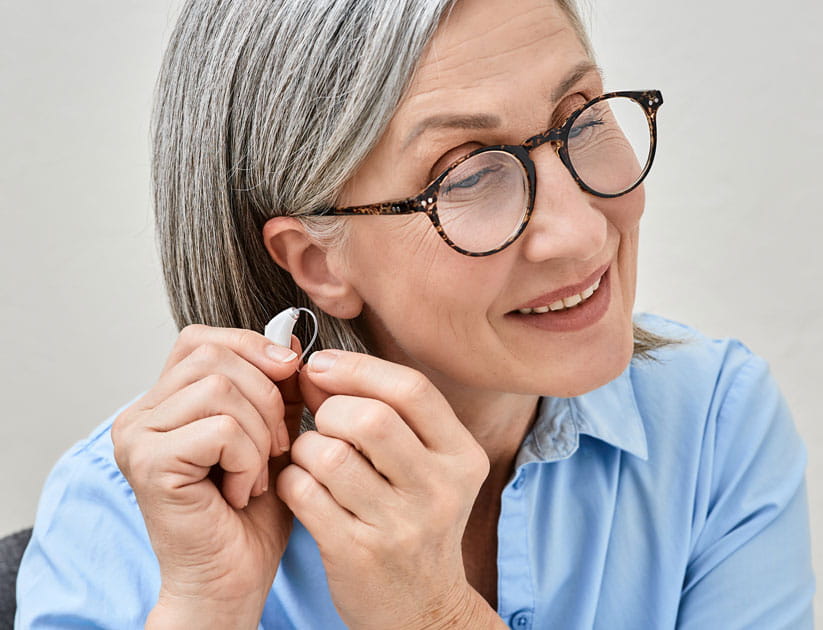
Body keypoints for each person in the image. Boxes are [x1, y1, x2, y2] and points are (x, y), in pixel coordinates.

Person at [15, 0, 815, 627]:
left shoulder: (711, 419)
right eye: (468, 176)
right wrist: (206, 609)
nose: (579, 232)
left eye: (581, 116)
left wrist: (432, 616)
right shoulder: (125, 518)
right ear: (315, 262)